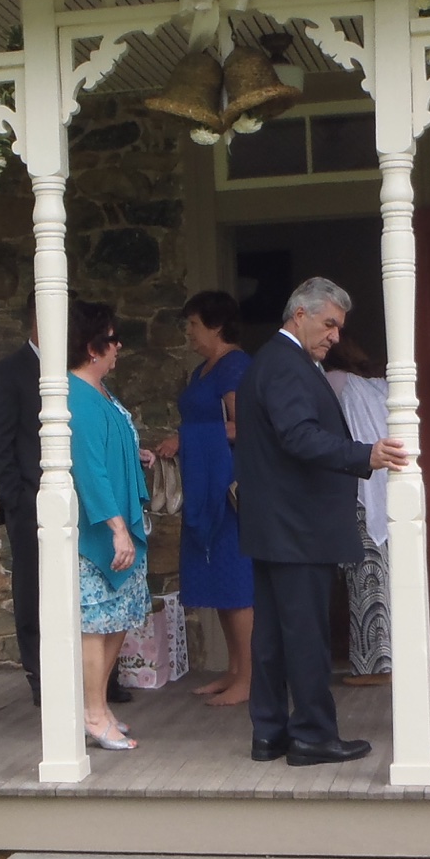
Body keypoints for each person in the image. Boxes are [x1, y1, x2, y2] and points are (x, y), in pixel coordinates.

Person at [235, 278, 408, 767]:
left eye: (339, 327)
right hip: (298, 526)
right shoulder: (288, 366)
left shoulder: (272, 361)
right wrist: (365, 454)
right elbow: (299, 437)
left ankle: (269, 733)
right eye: (328, 323)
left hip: (276, 525)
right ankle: (312, 734)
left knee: (271, 636)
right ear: (299, 315)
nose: (335, 335)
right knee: (305, 633)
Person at [152, 291, 255, 707]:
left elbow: (242, 427)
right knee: (217, 581)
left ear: (215, 325)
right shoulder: (200, 371)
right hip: (201, 484)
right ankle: (233, 670)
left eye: (193, 324)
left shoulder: (236, 367)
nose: (189, 333)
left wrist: (185, 438)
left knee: (237, 582)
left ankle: (250, 678)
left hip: (228, 489)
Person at [68, 299, 153, 752]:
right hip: (99, 527)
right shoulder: (75, 394)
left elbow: (112, 447)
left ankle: (99, 706)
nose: (119, 346)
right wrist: (118, 529)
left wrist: (136, 457)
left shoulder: (102, 391)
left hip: (118, 518)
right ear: (93, 346)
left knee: (117, 617)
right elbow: (89, 468)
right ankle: (91, 712)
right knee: (95, 623)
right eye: (113, 338)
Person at [0, 296, 43, 702]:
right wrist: (18, 498)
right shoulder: (9, 372)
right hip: (29, 500)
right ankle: (40, 673)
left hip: (78, 502)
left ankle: (93, 677)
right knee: (33, 589)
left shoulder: (74, 371)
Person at [324, 336, 392, 687]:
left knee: (364, 574)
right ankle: (388, 659)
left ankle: (374, 666)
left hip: (360, 488)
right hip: (387, 486)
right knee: (380, 572)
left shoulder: (335, 381)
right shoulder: (380, 386)